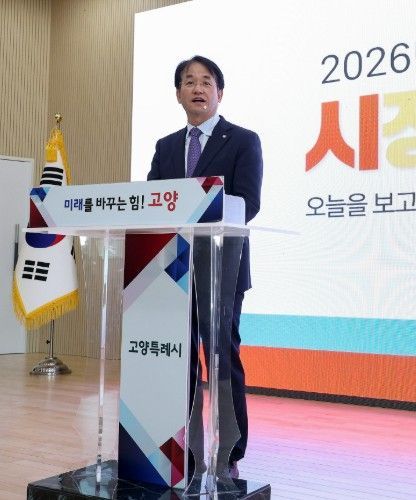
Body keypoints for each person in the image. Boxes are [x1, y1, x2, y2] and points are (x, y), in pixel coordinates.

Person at [147, 55, 263, 480]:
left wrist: (200, 210)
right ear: (178, 94)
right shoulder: (165, 146)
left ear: (219, 92)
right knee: (178, 358)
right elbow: (151, 205)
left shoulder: (243, 140)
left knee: (221, 358)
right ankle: (181, 446)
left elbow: (248, 203)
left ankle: (229, 450)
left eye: (206, 81)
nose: (198, 88)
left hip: (222, 266)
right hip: (174, 268)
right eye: (189, 82)